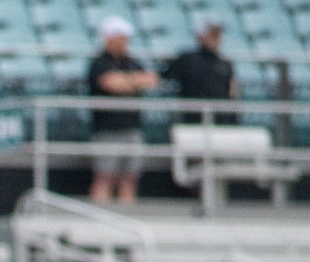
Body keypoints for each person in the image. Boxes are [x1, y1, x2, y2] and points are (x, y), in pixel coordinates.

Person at [87, 17, 158, 206]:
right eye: (120, 37)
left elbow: (151, 80)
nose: (124, 42)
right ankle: (98, 217)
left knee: (129, 177)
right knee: (105, 176)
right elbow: (109, 83)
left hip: (132, 128)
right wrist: (135, 82)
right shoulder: (99, 62)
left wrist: (126, 81)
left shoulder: (132, 62)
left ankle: (127, 215)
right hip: (107, 130)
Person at [162, 17, 238, 121]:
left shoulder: (225, 64)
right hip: (191, 121)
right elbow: (163, 78)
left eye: (218, 35)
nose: (216, 39)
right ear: (201, 36)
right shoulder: (186, 59)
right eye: (212, 35)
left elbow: (231, 93)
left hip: (220, 122)